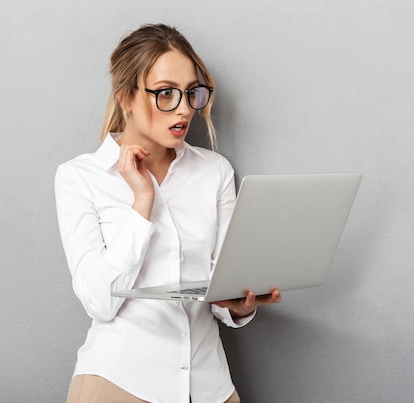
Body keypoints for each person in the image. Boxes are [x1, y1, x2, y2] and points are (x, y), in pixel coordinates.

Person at [55, 24, 281, 403]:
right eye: (165, 94)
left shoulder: (215, 172)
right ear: (126, 96)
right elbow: (98, 302)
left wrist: (239, 307)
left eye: (191, 93)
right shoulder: (80, 177)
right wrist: (142, 203)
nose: (183, 108)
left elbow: (220, 282)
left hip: (209, 386)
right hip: (120, 383)